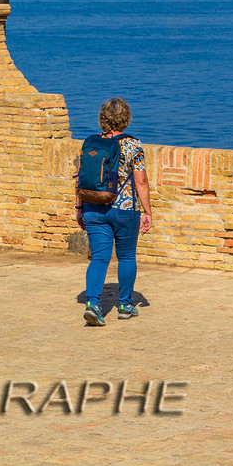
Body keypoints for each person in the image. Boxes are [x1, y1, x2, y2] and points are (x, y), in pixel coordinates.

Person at [77, 97, 152, 326]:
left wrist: (79, 208)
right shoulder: (133, 145)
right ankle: (125, 305)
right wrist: (148, 212)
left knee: (99, 258)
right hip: (125, 210)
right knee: (126, 256)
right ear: (126, 119)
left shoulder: (90, 144)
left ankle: (92, 304)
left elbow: (80, 180)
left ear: (102, 118)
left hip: (93, 208)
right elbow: (141, 181)